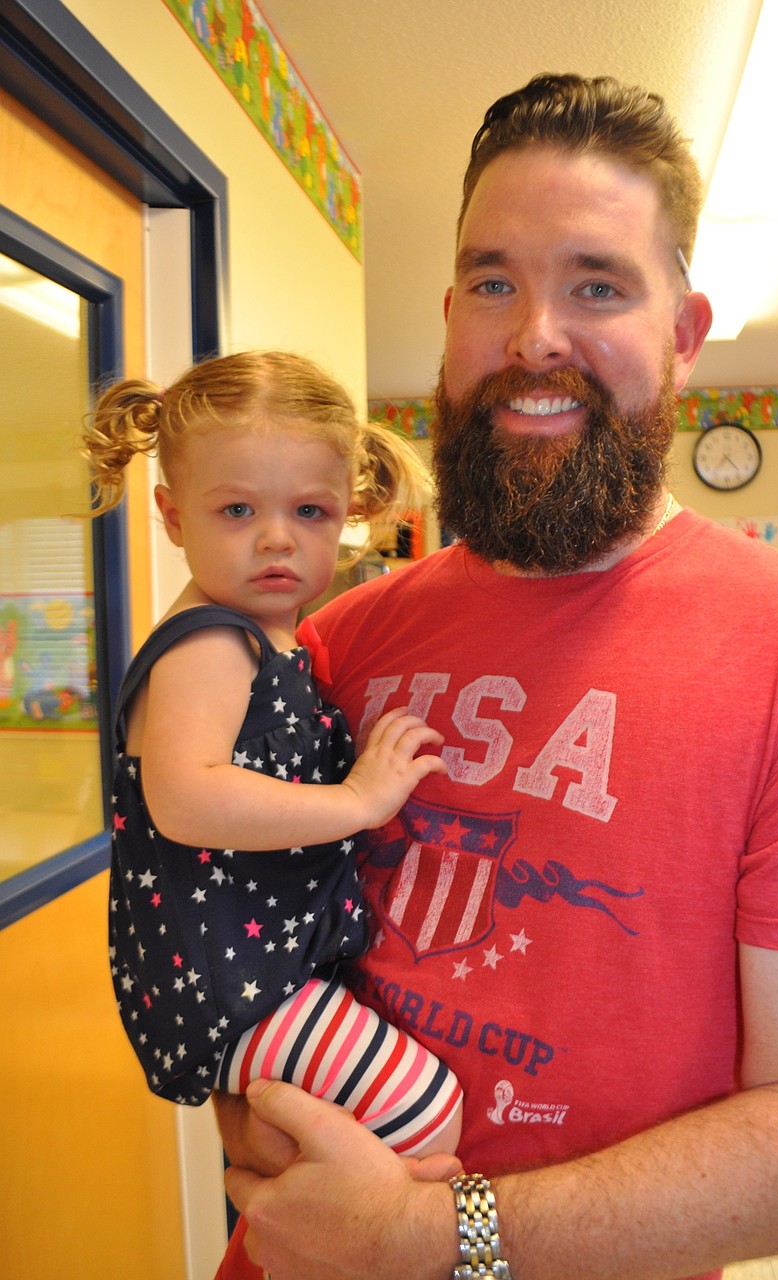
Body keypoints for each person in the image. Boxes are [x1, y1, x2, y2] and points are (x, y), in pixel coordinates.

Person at [216, 75, 778, 1280]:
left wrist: (429, 1238)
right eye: (493, 283)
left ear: (683, 331)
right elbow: (237, 941)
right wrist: (246, 1117)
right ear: (449, 311)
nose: (533, 337)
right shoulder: (332, 642)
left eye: (596, 285)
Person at [84, 350, 462, 1156]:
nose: (277, 539)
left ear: (347, 513)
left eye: (311, 512)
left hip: (266, 967)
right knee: (424, 1112)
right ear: (172, 515)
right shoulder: (211, 643)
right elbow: (186, 798)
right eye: (237, 510)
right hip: (232, 985)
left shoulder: (272, 639)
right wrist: (359, 800)